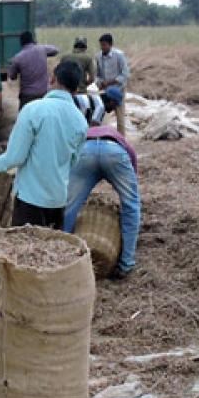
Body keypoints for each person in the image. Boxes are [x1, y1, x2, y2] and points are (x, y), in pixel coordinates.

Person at [0, 60, 88, 228]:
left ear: (53, 79)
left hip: (30, 201)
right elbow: (72, 162)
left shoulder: (33, 110)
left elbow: (14, 158)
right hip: (58, 201)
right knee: (51, 252)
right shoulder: (80, 121)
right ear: (76, 87)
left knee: (24, 252)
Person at [64, 86, 140, 278]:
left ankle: (63, 255)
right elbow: (131, 156)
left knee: (69, 206)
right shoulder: (117, 136)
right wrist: (129, 188)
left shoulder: (86, 124)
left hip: (85, 150)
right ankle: (126, 264)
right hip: (115, 153)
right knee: (131, 205)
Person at [7, 31, 60, 109]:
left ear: (21, 42)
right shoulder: (42, 49)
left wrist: (12, 66)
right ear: (33, 40)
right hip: (44, 93)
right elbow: (56, 50)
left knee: (26, 118)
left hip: (27, 97)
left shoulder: (18, 58)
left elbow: (12, 77)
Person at [95, 34, 131, 135]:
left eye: (104, 45)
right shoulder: (98, 56)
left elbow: (125, 74)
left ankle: (122, 140)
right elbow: (97, 75)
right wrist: (100, 82)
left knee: (120, 117)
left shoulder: (119, 55)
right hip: (104, 91)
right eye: (101, 45)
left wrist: (111, 82)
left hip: (118, 90)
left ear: (110, 45)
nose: (102, 47)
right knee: (102, 116)